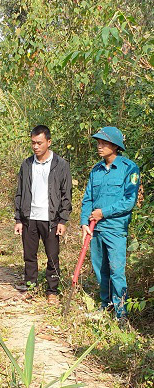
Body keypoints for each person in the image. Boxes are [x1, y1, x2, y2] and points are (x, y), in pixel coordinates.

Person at [81, 126, 140, 323]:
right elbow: (87, 198)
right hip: (95, 229)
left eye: (104, 143)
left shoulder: (129, 168)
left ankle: (121, 313)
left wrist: (103, 212)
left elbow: (129, 202)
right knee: (100, 269)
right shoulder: (96, 170)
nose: (99, 146)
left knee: (116, 271)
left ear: (115, 146)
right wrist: (84, 223)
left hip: (115, 229)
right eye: (98, 142)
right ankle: (105, 305)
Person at [14, 125, 72, 305]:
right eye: (33, 143)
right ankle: (30, 286)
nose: (35, 147)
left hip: (51, 219)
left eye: (39, 143)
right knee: (29, 255)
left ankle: (52, 290)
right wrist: (18, 219)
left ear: (49, 142)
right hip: (29, 217)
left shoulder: (60, 165)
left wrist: (63, 220)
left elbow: (66, 194)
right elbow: (20, 192)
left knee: (52, 256)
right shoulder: (27, 164)